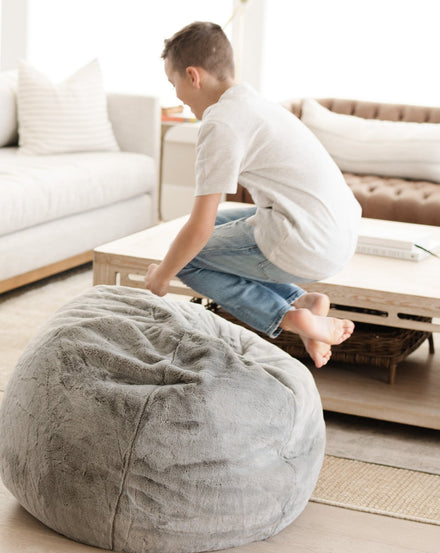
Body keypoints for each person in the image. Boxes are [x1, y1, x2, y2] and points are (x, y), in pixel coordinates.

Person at [145, 21, 362, 368]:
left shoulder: (221, 123)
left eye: (174, 85)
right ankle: (303, 304)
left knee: (189, 258)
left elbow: (198, 232)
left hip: (307, 240)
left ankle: (289, 316)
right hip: (337, 230)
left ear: (193, 76)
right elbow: (204, 224)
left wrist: (160, 278)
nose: (178, 97)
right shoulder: (252, 101)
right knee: (195, 237)